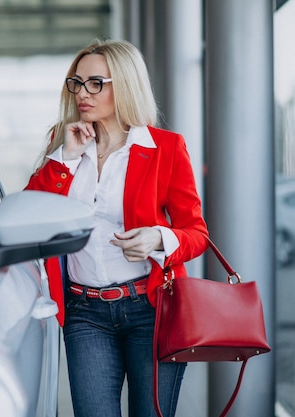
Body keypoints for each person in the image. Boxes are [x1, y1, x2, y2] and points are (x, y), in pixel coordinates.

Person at [25, 39, 209, 417]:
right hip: (84, 313)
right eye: (76, 83)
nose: (82, 93)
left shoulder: (165, 148)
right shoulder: (64, 142)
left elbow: (196, 232)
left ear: (123, 85)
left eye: (96, 83)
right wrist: (66, 158)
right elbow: (31, 214)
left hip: (150, 309)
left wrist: (159, 238)